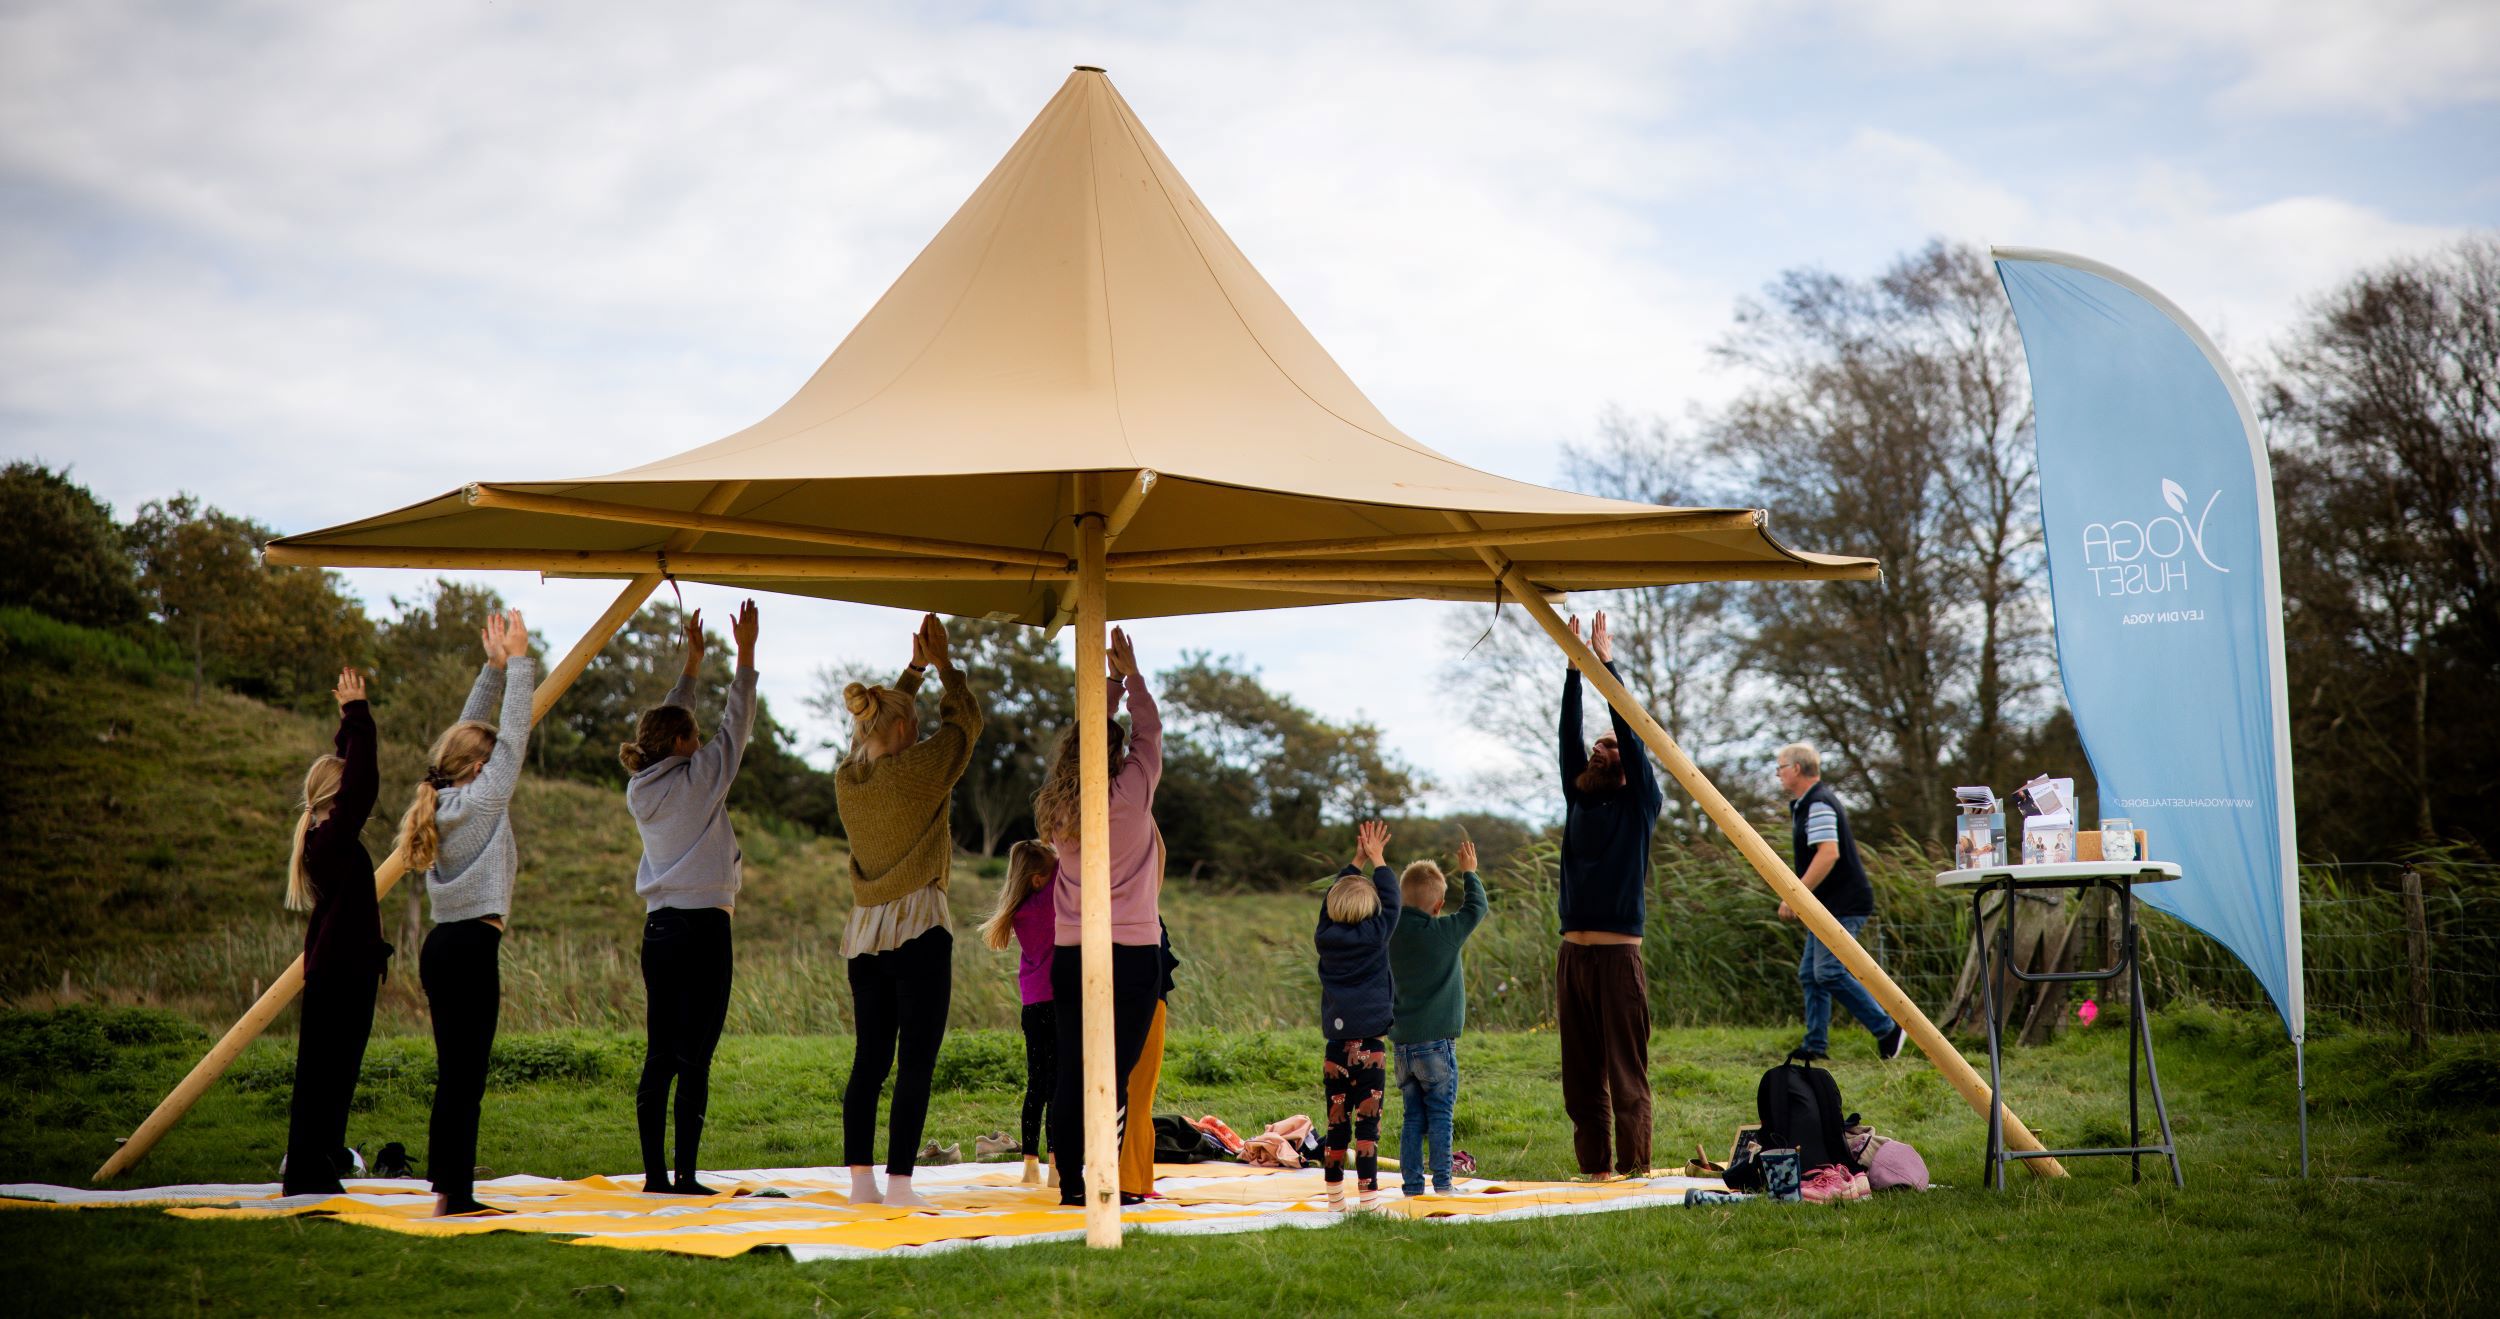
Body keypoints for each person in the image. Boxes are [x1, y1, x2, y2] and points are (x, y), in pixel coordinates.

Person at [833, 612, 983, 1209]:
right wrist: (945, 667)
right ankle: (900, 1185)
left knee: (869, 1060)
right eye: (914, 727)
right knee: (917, 1060)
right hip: (919, 929)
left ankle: (862, 1185)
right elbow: (965, 725)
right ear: (901, 731)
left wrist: (913, 672)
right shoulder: (918, 773)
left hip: (865, 937)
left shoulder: (849, 779)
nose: (921, 735)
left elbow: (879, 721)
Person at [399, 608, 536, 1217]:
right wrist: (522, 665)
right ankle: (457, 1197)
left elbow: (465, 735)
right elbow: (512, 735)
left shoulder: (444, 795)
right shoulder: (481, 803)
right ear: (481, 769)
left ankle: (447, 1191)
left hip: (442, 949)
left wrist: (491, 668)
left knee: (454, 1074)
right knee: (465, 1078)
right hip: (471, 951)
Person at [620, 602, 760, 1195]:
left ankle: (655, 1178)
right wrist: (746, 653)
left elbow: (683, 724)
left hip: (659, 932)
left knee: (660, 1055)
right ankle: (687, 1176)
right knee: (695, 1057)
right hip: (705, 931)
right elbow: (738, 724)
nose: (703, 742)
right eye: (693, 738)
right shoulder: (702, 781)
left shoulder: (640, 787)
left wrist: (693, 665)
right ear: (681, 744)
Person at [1037, 625, 1163, 1208]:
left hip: (1071, 949)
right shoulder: (1133, 790)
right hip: (1133, 951)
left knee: (1072, 1071)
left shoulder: (1061, 804)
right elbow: (1150, 732)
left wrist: (1106, 689)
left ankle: (1071, 1187)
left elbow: (1100, 737)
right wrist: (1129, 676)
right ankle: (1104, 1182)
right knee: (1115, 1071)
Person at [1555, 611, 1662, 1180]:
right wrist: (1576, 670)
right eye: (1596, 748)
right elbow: (1568, 736)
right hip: (1572, 955)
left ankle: (1635, 1168)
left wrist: (1605, 665)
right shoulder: (1580, 798)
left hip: (1619, 958)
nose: (1599, 749)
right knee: (1580, 1076)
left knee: (1625, 1071)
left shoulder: (1640, 804)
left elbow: (1631, 735)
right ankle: (1595, 1170)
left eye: (1609, 746)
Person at [280, 665, 388, 1197]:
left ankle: (318, 1166)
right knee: (326, 1076)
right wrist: (357, 715)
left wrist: (349, 729)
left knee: (332, 1075)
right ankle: (310, 1170)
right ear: (334, 797)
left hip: (344, 971)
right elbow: (363, 783)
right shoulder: (330, 841)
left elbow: (355, 777)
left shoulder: (327, 840)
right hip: (341, 975)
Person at [1775, 743, 1907, 1062]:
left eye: (1780, 767)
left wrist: (1795, 894)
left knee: (1828, 971)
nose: (1777, 774)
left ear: (1796, 769)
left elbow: (1829, 852)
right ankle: (1815, 1045)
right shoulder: (1807, 803)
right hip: (1827, 903)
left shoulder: (1818, 803)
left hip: (1844, 903)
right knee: (1811, 973)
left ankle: (1887, 1028)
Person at [1387, 838, 1488, 1197]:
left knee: (1413, 1118)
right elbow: (1476, 909)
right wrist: (1470, 873)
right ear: (1439, 905)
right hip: (1437, 1046)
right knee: (1441, 1115)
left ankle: (1413, 1187)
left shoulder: (1391, 935)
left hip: (1402, 1045)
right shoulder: (1444, 932)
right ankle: (1443, 1184)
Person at [1315, 819, 1399, 1212]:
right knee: (1368, 1128)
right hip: (1372, 1049)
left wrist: (1357, 862)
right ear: (1372, 911)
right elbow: (1394, 902)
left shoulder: (1325, 937)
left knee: (1336, 1125)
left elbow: (1326, 905)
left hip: (1335, 1049)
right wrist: (1379, 861)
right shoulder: (1376, 934)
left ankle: (1334, 1200)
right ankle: (1368, 1200)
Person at [978, 839, 1059, 1188]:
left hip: (1032, 1006)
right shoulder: (1051, 900)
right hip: (1058, 1004)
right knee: (1058, 1089)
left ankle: (1030, 1164)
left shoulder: (1021, 910)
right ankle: (1057, 1168)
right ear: (1040, 879)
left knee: (1036, 1086)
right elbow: (1074, 863)